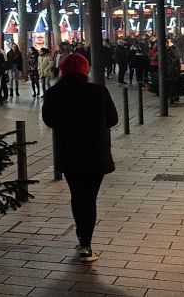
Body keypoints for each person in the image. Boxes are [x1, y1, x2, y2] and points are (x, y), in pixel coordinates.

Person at [41, 53, 118, 263]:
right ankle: (86, 243)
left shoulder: (54, 93)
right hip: (96, 153)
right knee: (90, 198)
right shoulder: (98, 91)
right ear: (86, 69)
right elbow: (112, 119)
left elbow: (49, 119)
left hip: (69, 152)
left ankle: (82, 239)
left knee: (77, 195)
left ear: (63, 70)